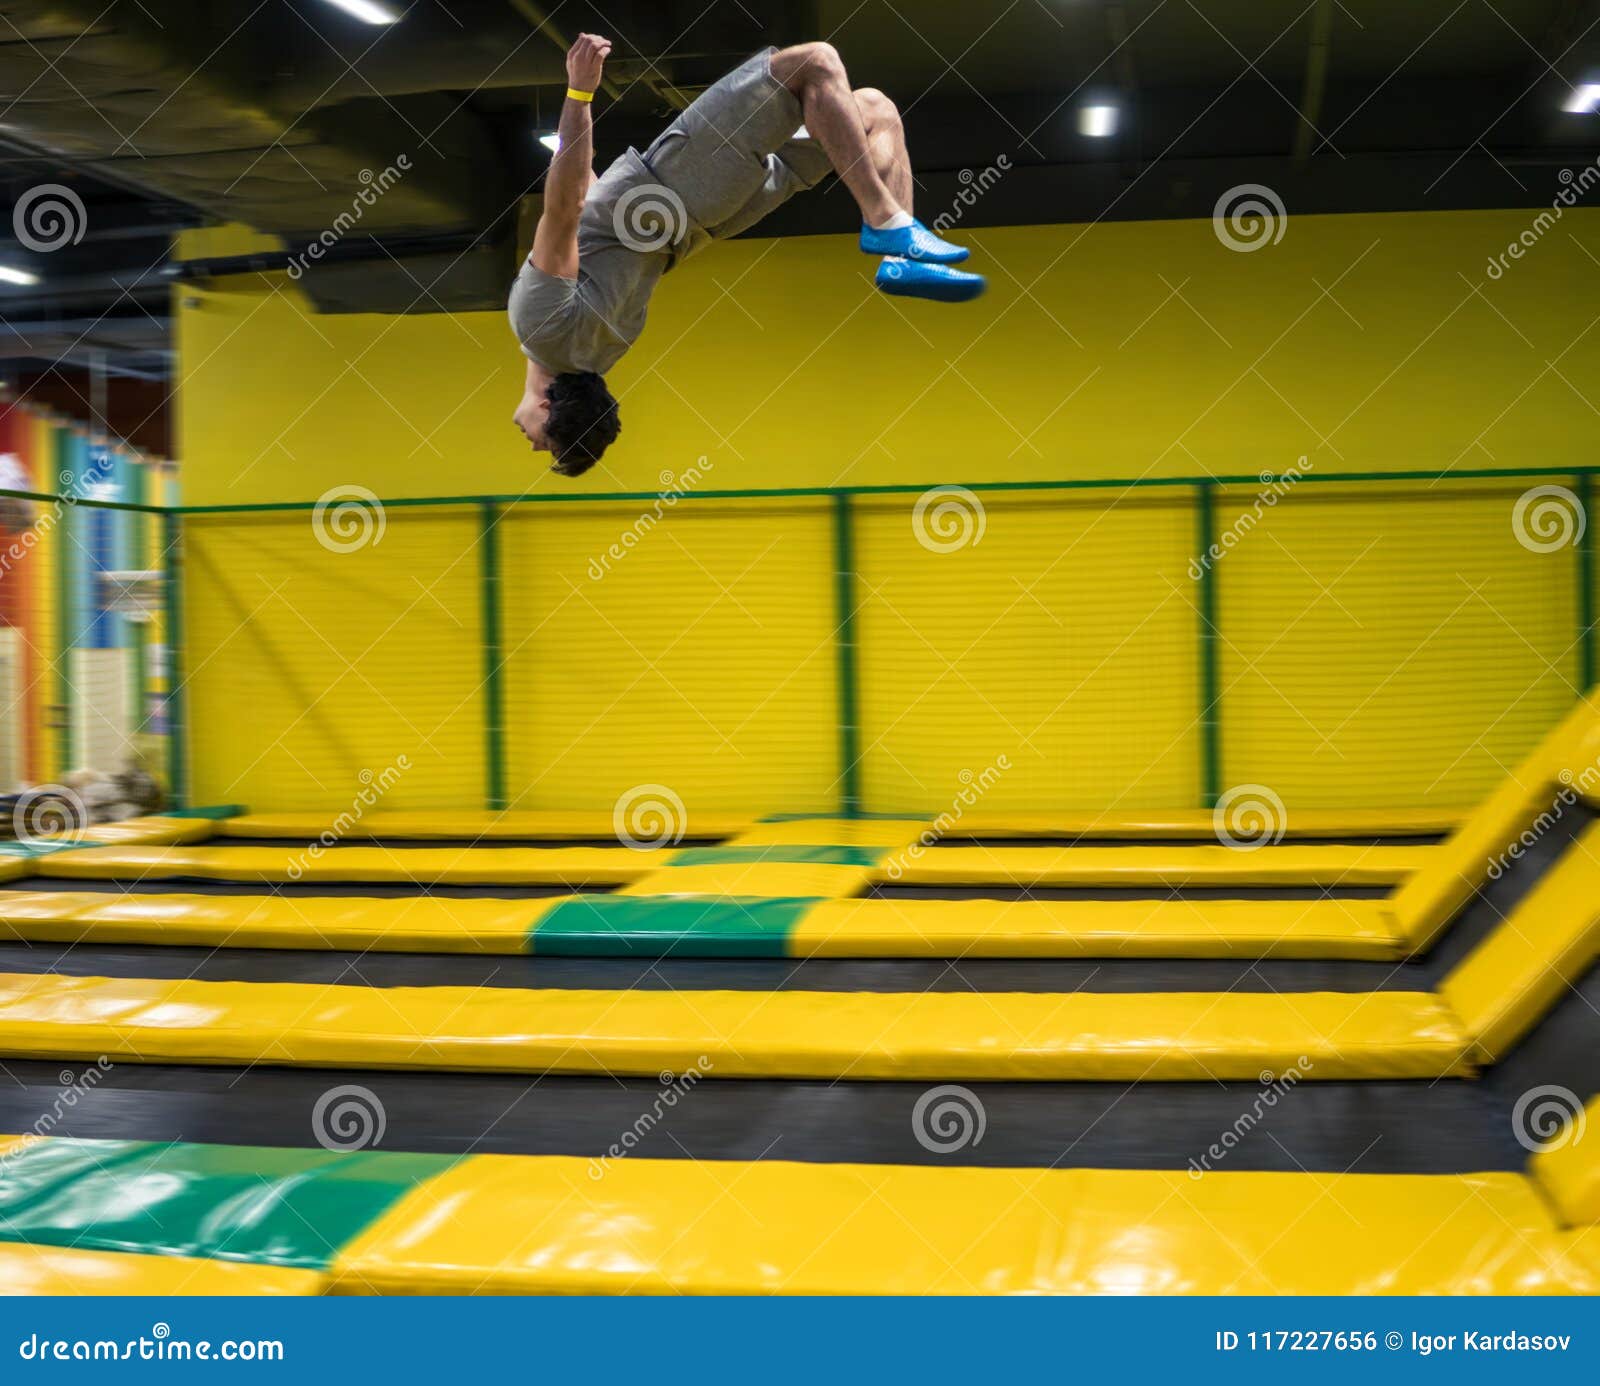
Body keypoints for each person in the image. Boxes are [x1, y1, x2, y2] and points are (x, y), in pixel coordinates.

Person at [509, 34, 987, 477]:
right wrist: (579, 96)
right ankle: (887, 224)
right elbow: (566, 208)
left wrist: (577, 151)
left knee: (873, 112)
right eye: (544, 445)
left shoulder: (599, 358)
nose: (531, 445)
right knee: (815, 62)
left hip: (716, 218)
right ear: (550, 409)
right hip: (680, 183)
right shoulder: (539, 326)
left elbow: (586, 213)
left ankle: (903, 259)